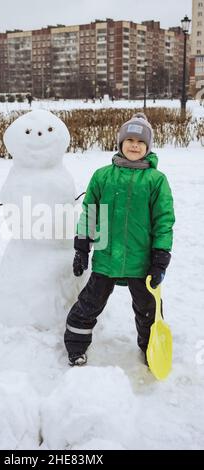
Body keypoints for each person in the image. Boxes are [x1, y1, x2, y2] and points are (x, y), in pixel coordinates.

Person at [64, 112, 175, 367]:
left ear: (148, 147)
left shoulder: (156, 181)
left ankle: (150, 350)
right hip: (106, 258)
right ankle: (75, 347)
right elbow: (90, 212)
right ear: (120, 143)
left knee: (149, 311)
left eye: (140, 141)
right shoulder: (103, 176)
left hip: (141, 261)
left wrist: (160, 258)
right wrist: (82, 247)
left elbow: (164, 220)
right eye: (129, 140)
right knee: (88, 306)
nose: (134, 145)